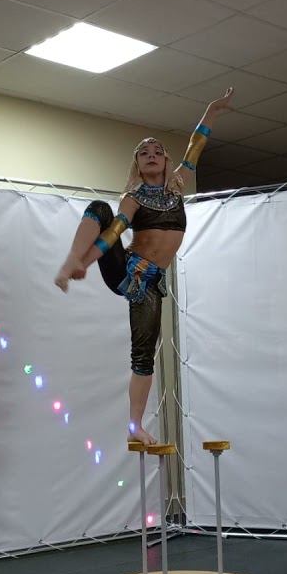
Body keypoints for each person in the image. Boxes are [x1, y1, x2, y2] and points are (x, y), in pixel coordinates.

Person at [54, 88, 235, 445]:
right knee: (100, 210)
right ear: (137, 164)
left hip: (151, 284)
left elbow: (196, 145)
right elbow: (114, 231)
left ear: (166, 161)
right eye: (143, 153)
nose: (151, 156)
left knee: (144, 356)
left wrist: (212, 111)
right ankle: (71, 258)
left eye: (157, 152)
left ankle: (135, 425)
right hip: (127, 270)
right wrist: (84, 262)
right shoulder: (133, 197)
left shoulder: (178, 185)